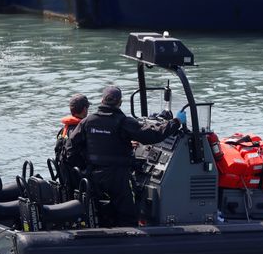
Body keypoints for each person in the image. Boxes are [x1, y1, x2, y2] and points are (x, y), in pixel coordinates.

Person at [64, 85, 182, 227]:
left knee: (101, 213)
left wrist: (85, 167)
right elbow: (153, 135)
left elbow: (70, 149)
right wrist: (176, 122)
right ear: (119, 103)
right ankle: (129, 243)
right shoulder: (123, 122)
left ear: (102, 100)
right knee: (128, 216)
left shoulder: (87, 122)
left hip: (94, 176)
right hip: (118, 177)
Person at [54, 93, 90, 162]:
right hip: (77, 171)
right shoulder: (83, 130)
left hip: (64, 169)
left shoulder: (63, 130)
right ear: (85, 109)